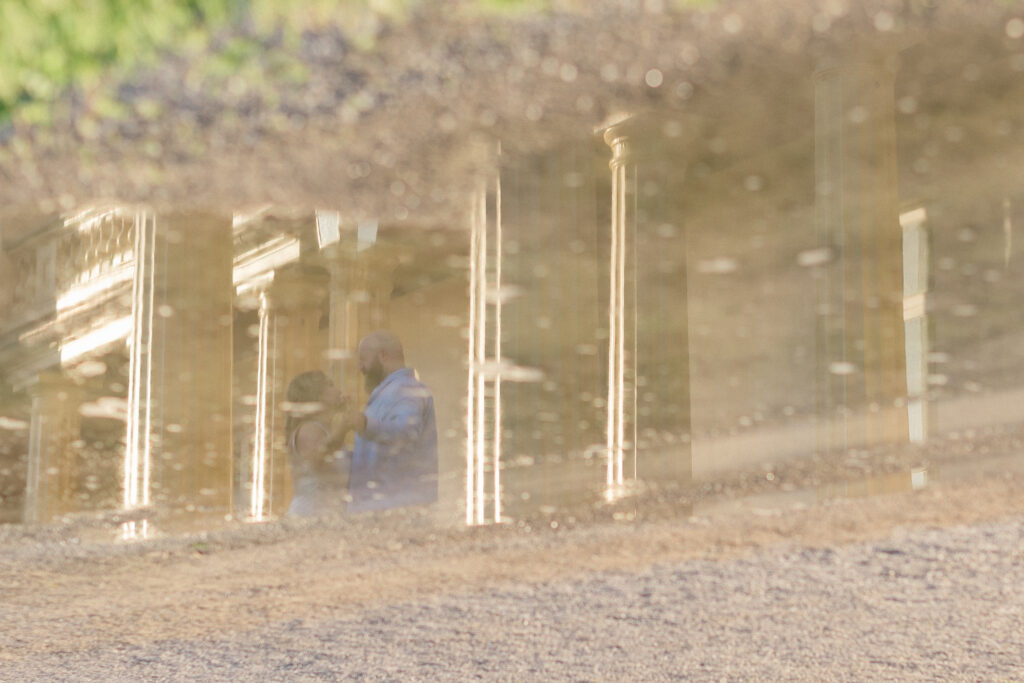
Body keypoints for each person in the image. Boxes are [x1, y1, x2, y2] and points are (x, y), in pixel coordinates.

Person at [338, 330, 438, 513]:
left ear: (382, 356)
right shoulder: (387, 394)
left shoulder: (407, 389)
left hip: (396, 509)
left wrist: (363, 424)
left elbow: (406, 433)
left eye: (363, 359)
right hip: (377, 507)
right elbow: (374, 456)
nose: (360, 367)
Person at [283, 370, 349, 517]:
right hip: (310, 515)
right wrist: (342, 429)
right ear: (317, 394)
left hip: (328, 514)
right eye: (330, 385)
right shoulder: (309, 430)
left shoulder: (325, 429)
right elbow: (317, 461)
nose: (338, 390)